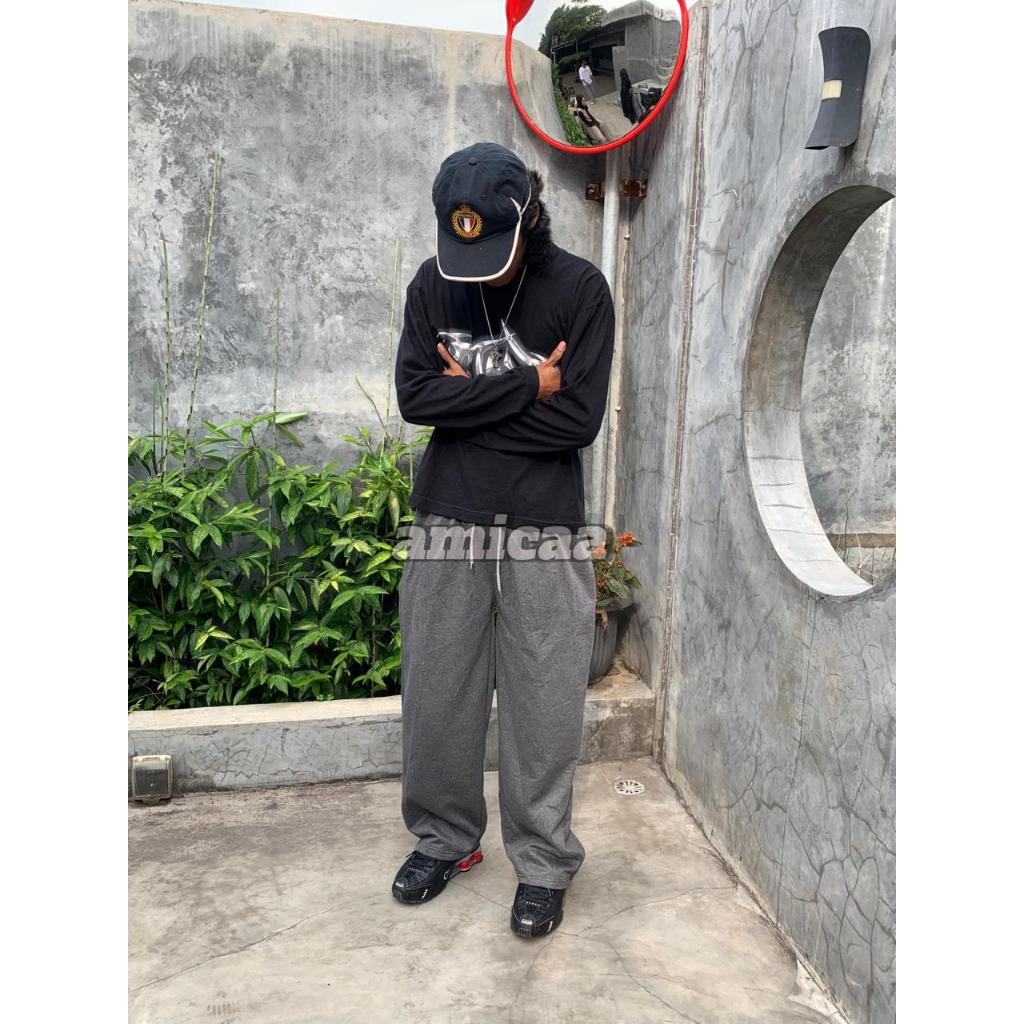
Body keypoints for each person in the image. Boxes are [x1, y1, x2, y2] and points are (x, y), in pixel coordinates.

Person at [390, 142, 615, 940]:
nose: (477, 269)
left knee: (545, 695)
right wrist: (526, 384)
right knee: (437, 685)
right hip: (447, 516)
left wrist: (469, 401)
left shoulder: (580, 291)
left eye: (494, 246)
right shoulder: (432, 283)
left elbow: (576, 421)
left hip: (544, 524)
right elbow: (415, 398)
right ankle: (444, 839)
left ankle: (544, 862)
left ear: (531, 218)